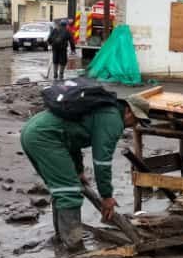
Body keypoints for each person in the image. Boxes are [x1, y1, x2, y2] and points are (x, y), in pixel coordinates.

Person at [20, 94, 152, 250]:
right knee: (68, 192)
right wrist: (107, 196)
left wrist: (78, 170)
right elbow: (102, 161)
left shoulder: (104, 110)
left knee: (61, 189)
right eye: (136, 120)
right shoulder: (113, 121)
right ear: (129, 111)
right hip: (45, 136)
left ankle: (61, 238)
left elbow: (73, 139)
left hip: (34, 130)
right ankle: (74, 246)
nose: (133, 125)